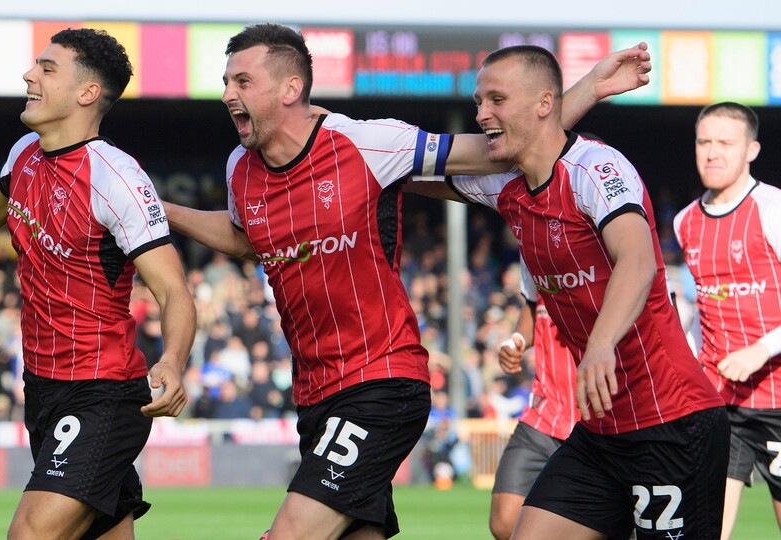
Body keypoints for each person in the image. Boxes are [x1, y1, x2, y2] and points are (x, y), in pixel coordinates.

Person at [165, 23, 653, 540]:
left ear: (290, 88)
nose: (228, 94)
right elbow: (245, 237)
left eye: (242, 81)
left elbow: (502, 147)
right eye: (226, 82)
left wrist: (590, 87)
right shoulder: (239, 168)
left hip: (379, 381)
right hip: (314, 395)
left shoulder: (366, 143)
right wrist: (161, 212)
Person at [0, 28, 196, 540]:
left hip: (102, 392)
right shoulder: (26, 152)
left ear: (87, 92)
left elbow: (174, 289)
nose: (30, 76)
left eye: (48, 69)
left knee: (30, 533)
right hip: (44, 388)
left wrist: (174, 362)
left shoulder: (116, 178)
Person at [437, 44, 730, 540]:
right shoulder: (505, 185)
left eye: (496, 99)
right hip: (600, 433)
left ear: (545, 102)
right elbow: (409, 169)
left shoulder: (597, 167)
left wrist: (600, 344)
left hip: (671, 422)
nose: (481, 113)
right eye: (479, 101)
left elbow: (637, 260)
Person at [673, 101, 781, 540]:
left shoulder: (773, 209)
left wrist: (762, 349)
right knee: (704, 529)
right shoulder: (685, 222)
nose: (712, 152)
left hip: (778, 398)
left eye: (725, 143)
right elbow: (700, 308)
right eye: (704, 142)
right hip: (721, 402)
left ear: (751, 150)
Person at [490, 289, 578, 540]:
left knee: (610, 528)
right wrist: (517, 339)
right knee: (504, 522)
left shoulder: (610, 265)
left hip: (598, 420)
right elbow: (532, 304)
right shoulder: (531, 263)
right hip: (542, 414)